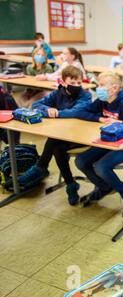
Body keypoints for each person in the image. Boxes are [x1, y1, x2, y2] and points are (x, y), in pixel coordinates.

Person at [16, 66, 92, 205]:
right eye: (73, 82)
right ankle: (70, 184)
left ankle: (41, 167)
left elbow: (76, 112)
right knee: (57, 146)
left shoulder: (85, 95)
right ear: (62, 82)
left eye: (79, 83)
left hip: (81, 136)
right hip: (63, 135)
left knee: (54, 140)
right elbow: (37, 105)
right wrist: (48, 110)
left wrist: (56, 113)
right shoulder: (58, 93)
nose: (76, 86)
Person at [73, 72, 123, 207]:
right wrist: (100, 118)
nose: (98, 88)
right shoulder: (102, 101)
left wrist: (120, 123)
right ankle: (104, 187)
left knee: (101, 167)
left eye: (101, 85)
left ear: (114, 89)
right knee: (81, 161)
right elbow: (81, 112)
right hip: (107, 142)